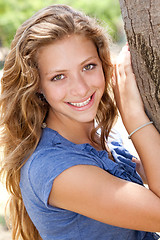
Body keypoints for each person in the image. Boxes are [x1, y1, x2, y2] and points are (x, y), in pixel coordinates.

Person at [0, 4, 160, 240]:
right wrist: (135, 118)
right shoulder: (56, 168)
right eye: (58, 77)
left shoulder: (99, 139)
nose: (81, 88)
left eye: (88, 66)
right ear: (37, 85)